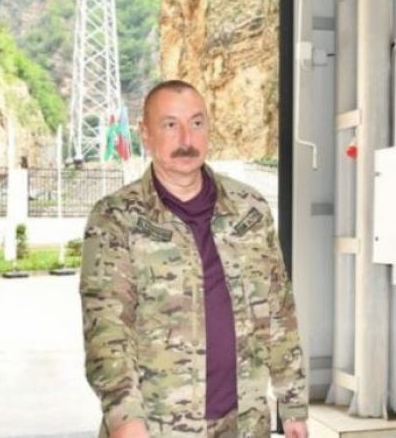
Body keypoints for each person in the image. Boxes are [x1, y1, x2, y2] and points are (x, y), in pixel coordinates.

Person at [80, 80, 308, 438]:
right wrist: (125, 419)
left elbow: (279, 309)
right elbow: (107, 331)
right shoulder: (116, 218)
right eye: (170, 124)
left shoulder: (249, 210)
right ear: (146, 133)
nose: (186, 138)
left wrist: (292, 405)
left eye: (197, 123)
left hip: (244, 423)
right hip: (156, 427)